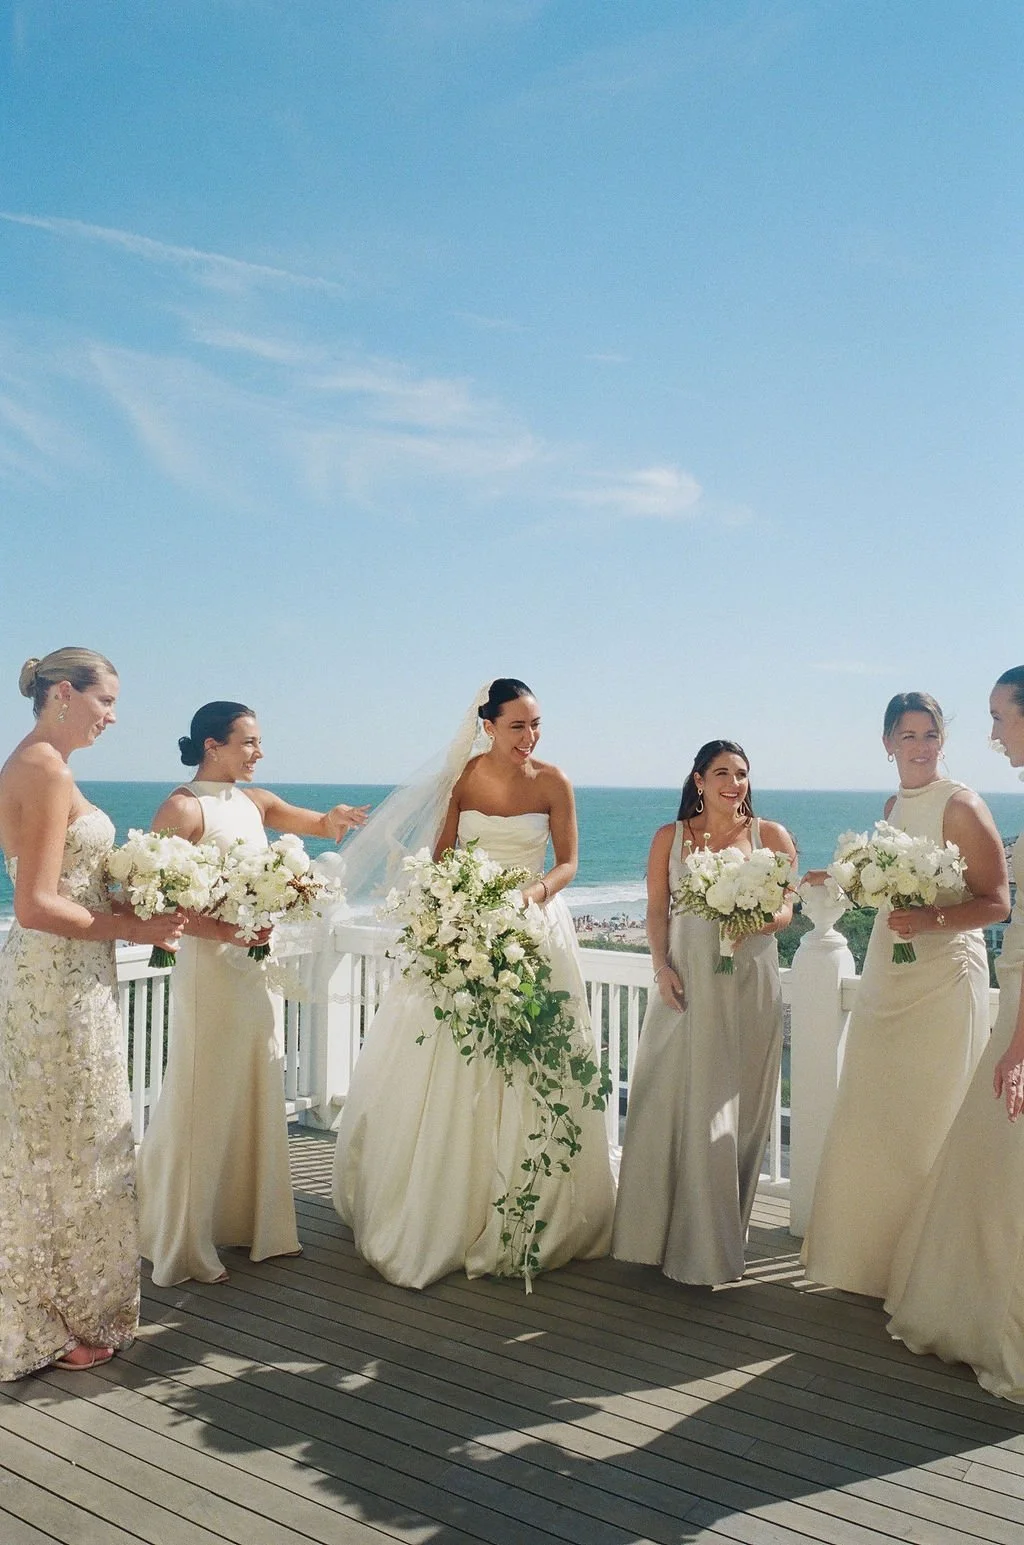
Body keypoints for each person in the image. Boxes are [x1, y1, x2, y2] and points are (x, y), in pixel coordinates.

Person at [332, 678, 616, 1289]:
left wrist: (531, 896)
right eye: (517, 726)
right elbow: (438, 858)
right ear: (487, 725)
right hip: (464, 928)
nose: (529, 737)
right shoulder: (461, 781)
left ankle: (531, 1214)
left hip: (534, 928)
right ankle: (444, 1209)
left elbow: (568, 862)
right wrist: (453, 912)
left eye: (536, 725)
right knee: (450, 1062)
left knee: (534, 1065)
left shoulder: (553, 782)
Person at [136, 701, 368, 1287]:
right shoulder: (182, 807)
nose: (259, 753)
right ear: (212, 745)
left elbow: (310, 824)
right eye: (249, 742)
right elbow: (161, 899)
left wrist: (335, 816)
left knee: (253, 1081)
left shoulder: (254, 802)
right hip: (209, 968)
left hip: (251, 969)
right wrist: (229, 929)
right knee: (203, 1090)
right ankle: (184, 1238)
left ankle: (252, 1223)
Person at [0, 648, 184, 1379]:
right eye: (106, 699)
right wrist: (134, 930)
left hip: (74, 979)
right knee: (55, 1151)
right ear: (65, 693)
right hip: (54, 985)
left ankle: (69, 1307)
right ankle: (37, 1321)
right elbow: (38, 903)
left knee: (69, 1144)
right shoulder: (42, 766)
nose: (113, 715)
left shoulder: (44, 762)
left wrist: (135, 904)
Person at [801, 692, 1008, 1299]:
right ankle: (872, 1262)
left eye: (930, 735)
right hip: (891, 971)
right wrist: (839, 878)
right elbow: (889, 884)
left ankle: (926, 1271)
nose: (920, 747)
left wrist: (932, 923)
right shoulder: (894, 805)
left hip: (943, 980)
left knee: (931, 1117)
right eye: (907, 735)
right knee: (877, 1111)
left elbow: (997, 902)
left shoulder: (963, 805)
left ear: (943, 740)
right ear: (887, 743)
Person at [884, 668, 1024, 1399]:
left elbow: (1004, 904)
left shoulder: (964, 803)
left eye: (1000, 716)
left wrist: (1019, 1044)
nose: (994, 731)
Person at [612, 740, 797, 1285]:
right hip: (686, 983)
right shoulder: (670, 838)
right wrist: (660, 968)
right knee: (670, 1100)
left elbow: (787, 909)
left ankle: (718, 1241)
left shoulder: (772, 837)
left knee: (740, 1109)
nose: (733, 783)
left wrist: (759, 922)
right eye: (721, 773)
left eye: (741, 773)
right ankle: (658, 1236)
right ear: (698, 780)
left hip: (749, 982)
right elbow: (655, 910)